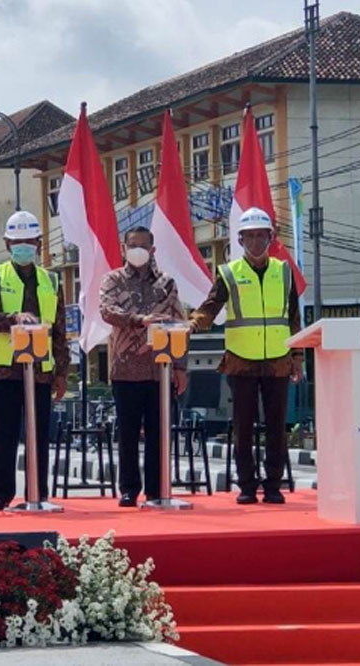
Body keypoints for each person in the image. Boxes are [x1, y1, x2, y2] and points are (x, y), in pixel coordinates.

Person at [189, 208, 303, 505]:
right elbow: (211, 306)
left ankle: (274, 485)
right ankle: (248, 486)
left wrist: (298, 357)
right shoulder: (229, 273)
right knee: (243, 426)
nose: (255, 242)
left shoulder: (285, 272)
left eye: (260, 236)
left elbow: (294, 318)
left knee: (277, 427)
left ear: (271, 238)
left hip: (278, 358)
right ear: (240, 240)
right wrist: (193, 323)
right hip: (241, 359)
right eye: (249, 236)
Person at [0, 210, 68, 511]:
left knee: (39, 434)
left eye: (30, 241)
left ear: (40, 244)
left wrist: (62, 372)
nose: (24, 247)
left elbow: (59, 331)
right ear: (7, 244)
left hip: (40, 370)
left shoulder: (51, 280)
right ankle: (0, 494)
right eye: (18, 242)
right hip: (5, 368)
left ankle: (37, 493)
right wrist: (14, 318)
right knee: (3, 432)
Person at [99, 226, 186, 507]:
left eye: (142, 245)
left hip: (159, 370)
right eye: (131, 245)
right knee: (127, 432)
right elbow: (107, 310)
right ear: (124, 248)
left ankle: (157, 488)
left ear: (152, 250)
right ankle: (128, 489)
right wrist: (141, 319)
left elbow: (179, 324)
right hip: (125, 369)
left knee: (159, 433)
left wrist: (181, 367)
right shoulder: (112, 280)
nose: (137, 249)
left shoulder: (167, 283)